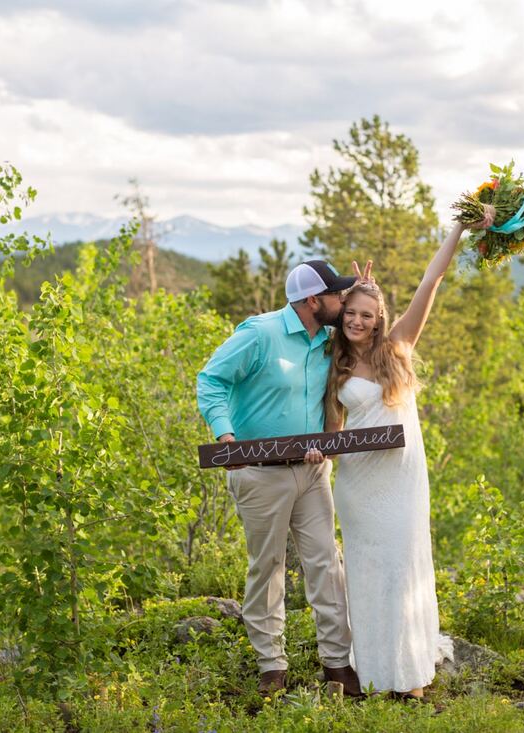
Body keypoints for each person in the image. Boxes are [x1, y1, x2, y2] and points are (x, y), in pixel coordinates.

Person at [305, 213, 493, 699]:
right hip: (358, 485)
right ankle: (373, 671)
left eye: (367, 315)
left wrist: (461, 228)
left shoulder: (399, 348)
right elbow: (332, 429)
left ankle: (408, 675)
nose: (357, 321)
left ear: (380, 319)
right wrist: (318, 452)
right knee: (368, 571)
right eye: (351, 313)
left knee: (402, 566)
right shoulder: (334, 363)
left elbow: (432, 281)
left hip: (402, 482)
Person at [196, 260, 363, 696]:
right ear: (312, 301)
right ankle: (272, 665)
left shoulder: (328, 339)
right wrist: (226, 436)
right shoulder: (259, 334)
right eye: (336, 295)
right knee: (267, 567)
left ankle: (337, 663)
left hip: (312, 472)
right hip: (258, 475)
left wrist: (371, 294)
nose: (342, 301)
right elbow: (210, 380)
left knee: (325, 564)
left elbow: (373, 332)